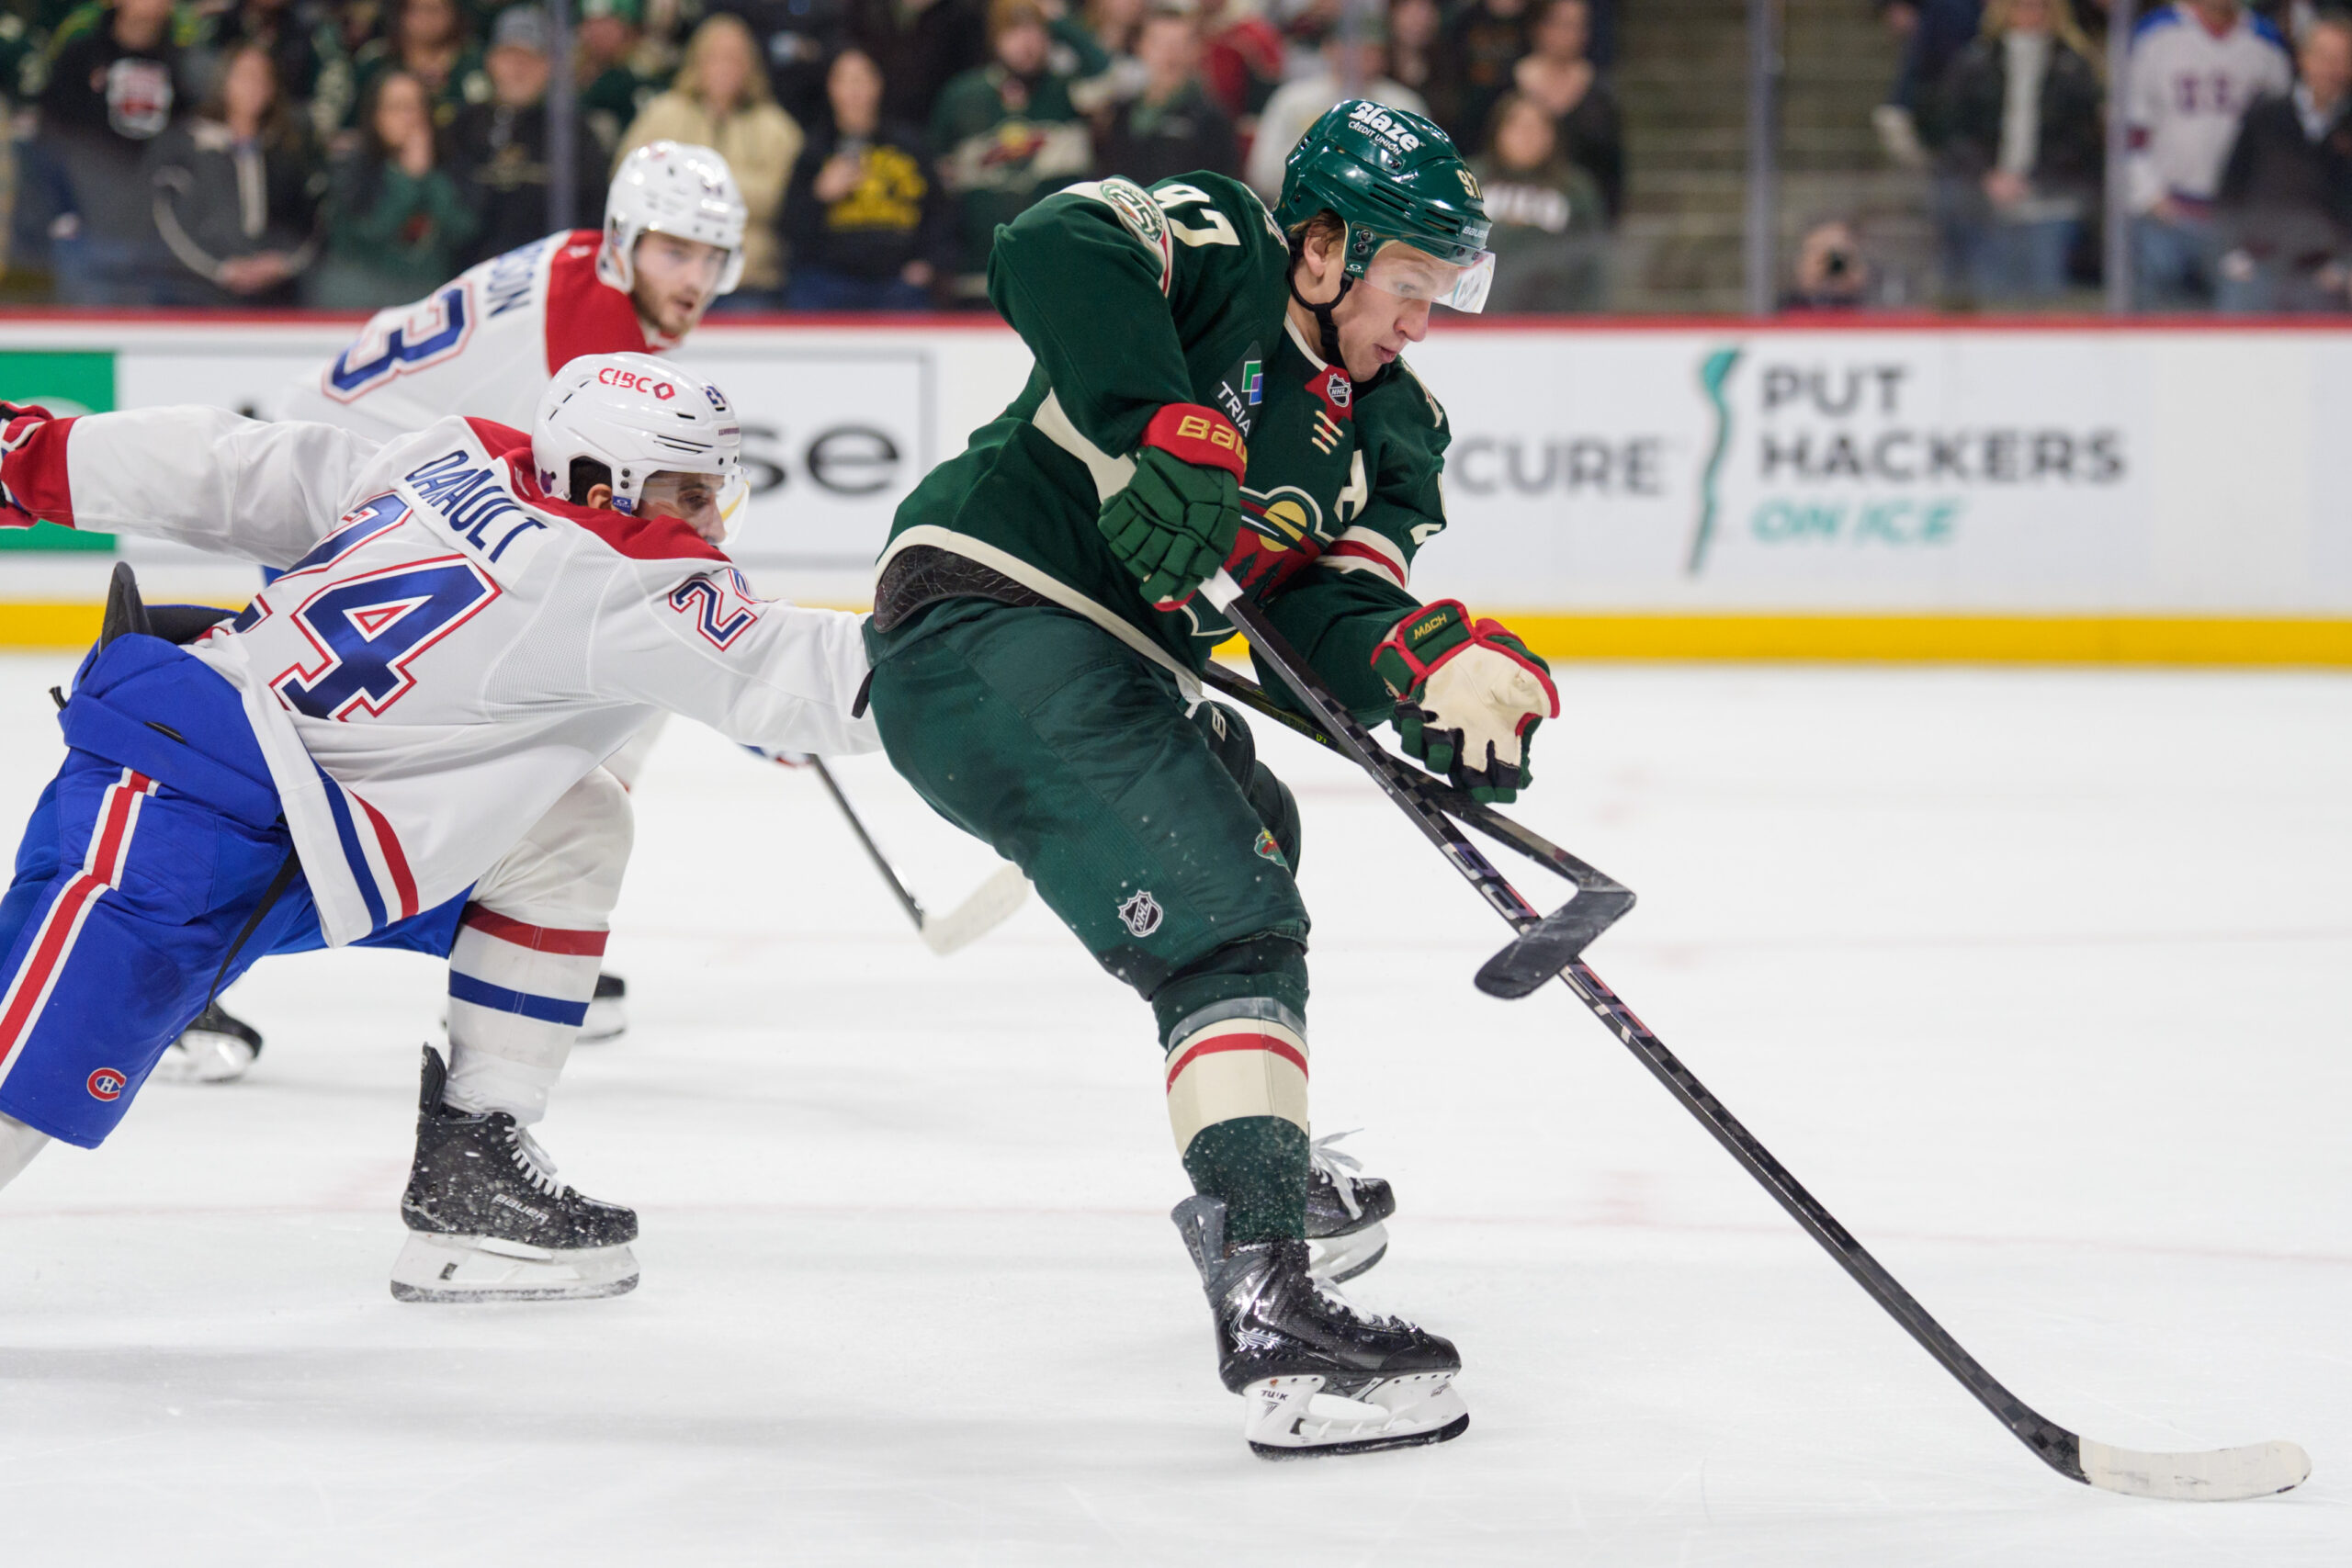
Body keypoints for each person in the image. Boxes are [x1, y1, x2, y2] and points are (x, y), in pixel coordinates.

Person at [862, 100, 1555, 1453]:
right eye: (1408, 281)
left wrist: (1428, 669)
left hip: (1112, 659)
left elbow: (1318, 617)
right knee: (1229, 917)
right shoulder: (1219, 246)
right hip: (984, 611)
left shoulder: (1389, 427)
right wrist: (1160, 415)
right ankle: (1273, 1304)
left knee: (1256, 829)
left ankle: (1261, 1157)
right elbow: (1049, 242)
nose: (1422, 317)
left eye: (1443, 287)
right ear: (1320, 248)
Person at [0, 354, 875, 1303]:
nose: (707, 520)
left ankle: (473, 1165)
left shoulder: (455, 459)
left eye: (714, 490)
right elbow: (826, 686)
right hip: (176, 816)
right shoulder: (628, 582)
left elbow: (240, 468)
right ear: (597, 481)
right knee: (18, 1092)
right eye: (684, 491)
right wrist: (1007, 628)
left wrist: (36, 457)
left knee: (567, 825)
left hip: (308, 821)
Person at [163, 143, 750, 1086]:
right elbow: (601, 543)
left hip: (377, 474)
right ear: (629, 242)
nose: (695, 279)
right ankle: (176, 968)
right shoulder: (597, 348)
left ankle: (518, 930)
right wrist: (741, 677)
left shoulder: (585, 269)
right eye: (675, 251)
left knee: (556, 725)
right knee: (340, 765)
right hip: (352, 493)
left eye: (712, 257)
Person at [617, 13, 803, 305]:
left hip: (747, 280)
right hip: (665, 282)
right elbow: (629, 179)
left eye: (733, 58)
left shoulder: (775, 127)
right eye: (714, 57)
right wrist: (728, 193)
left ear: (750, 65)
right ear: (696, 62)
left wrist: (689, 187)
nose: (723, 68)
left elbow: (784, 197)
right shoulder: (663, 114)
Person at [1927, 0, 2104, 304]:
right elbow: (1954, 132)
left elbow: (2081, 142)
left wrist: (2033, 179)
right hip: (1984, 197)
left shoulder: (2074, 68)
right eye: (2022, 6)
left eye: (2040, 6)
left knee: (2044, 296)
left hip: (2051, 197)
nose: (2030, 14)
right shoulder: (1975, 62)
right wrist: (1988, 176)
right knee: (1988, 291)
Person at [2126, 0, 2292, 308]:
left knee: (2235, 337)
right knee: (2155, 334)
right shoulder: (2155, 33)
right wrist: (2150, 195)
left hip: (2236, 221)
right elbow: (2130, 130)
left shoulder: (2266, 41)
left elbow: (2282, 140)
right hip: (2164, 215)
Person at [930, 0, 1092, 302]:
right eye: (1014, 32)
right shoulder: (962, 96)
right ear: (995, 38)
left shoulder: (1069, 93)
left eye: (1035, 32)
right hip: (980, 276)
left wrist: (1060, 21)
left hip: (1058, 273)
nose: (1026, 43)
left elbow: (1115, 78)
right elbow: (938, 191)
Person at [145, 39, 324, 304]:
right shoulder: (188, 141)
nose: (254, 85)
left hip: (278, 288)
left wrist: (282, 262)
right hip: (198, 288)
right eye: (244, 75)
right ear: (224, 81)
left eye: (262, 77)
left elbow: (312, 215)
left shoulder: (288, 147)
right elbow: (170, 216)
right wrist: (221, 268)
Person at [34, 0, 189, 304]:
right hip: (86, 229)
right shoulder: (80, 56)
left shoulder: (182, 64)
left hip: (157, 235)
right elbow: (49, 137)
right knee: (84, 336)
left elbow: (190, 148)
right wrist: (63, 210)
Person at [780, 46, 950, 309]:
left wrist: (927, 263)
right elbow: (789, 227)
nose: (853, 91)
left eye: (861, 80)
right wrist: (819, 195)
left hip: (897, 283)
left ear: (877, 85)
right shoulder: (815, 150)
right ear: (831, 88)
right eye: (844, 81)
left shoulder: (909, 146)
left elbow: (940, 212)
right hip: (828, 282)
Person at [448, 6, 609, 265]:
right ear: (491, 61)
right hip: (470, 280)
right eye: (510, 56)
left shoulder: (574, 132)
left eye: (532, 58)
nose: (519, 69)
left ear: (550, 66)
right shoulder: (461, 127)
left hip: (550, 278)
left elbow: (594, 217)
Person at [308, 68, 481, 308]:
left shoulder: (451, 163)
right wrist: (407, 178)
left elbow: (463, 230)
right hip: (359, 304)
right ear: (376, 115)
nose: (408, 117)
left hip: (428, 305)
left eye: (415, 106)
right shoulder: (350, 165)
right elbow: (369, 231)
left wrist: (429, 177)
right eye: (396, 107)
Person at [2214, 11, 2352, 310]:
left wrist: (2344, 264)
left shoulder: (2347, 127)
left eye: (2341, 58)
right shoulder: (2266, 114)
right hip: (2257, 266)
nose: (2332, 69)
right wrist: (2233, 252)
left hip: (2322, 273)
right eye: (2324, 57)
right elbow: (2231, 185)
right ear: (2304, 59)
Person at [1245, 17, 1424, 197]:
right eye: (1351, 47)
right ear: (1329, 48)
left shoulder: (1403, 105)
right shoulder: (1293, 100)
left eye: (1371, 49)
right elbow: (1262, 174)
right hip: (1302, 205)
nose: (1359, 57)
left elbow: (1420, 178)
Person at [1471, 91, 1608, 310]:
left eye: (1538, 128)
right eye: (1518, 126)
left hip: (1555, 320)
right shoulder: (1469, 180)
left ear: (1553, 136)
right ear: (1498, 132)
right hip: (1477, 319)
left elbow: (1592, 260)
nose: (1527, 137)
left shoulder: (1575, 189)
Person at [1094, 6, 1238, 186]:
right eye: (1160, 43)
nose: (1170, 54)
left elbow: (1222, 187)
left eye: (1180, 44)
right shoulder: (1119, 113)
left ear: (1196, 50)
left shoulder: (1212, 119)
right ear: (1140, 46)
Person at [1510, 0, 1623, 223]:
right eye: (1561, 24)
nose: (1569, 34)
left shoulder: (1601, 95)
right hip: (1514, 209)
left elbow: (1613, 169)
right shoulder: (1506, 86)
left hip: (1580, 215)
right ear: (1538, 26)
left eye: (1578, 25)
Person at [351, 0, 490, 133]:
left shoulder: (476, 59)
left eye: (435, 9)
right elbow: (354, 122)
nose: (427, 17)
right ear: (401, 13)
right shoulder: (376, 60)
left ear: (454, 12)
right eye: (417, 8)